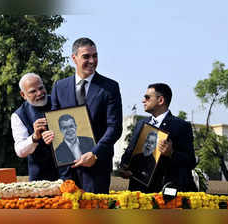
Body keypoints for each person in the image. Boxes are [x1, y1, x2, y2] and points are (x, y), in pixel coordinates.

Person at [42, 37, 123, 193]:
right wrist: (48, 133)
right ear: (74, 58)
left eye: (95, 56)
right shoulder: (60, 86)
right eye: (86, 56)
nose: (92, 61)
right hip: (66, 168)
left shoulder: (110, 87)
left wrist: (95, 154)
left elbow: (115, 127)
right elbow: (53, 121)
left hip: (96, 168)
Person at [119, 83, 197, 193]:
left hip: (165, 193)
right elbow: (129, 153)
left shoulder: (181, 126)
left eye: (147, 97)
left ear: (160, 100)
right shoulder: (141, 124)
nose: (143, 101)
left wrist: (171, 153)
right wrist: (124, 167)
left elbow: (190, 161)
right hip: (138, 192)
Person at [11, 73, 59, 181]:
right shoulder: (18, 115)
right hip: (41, 179)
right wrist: (34, 137)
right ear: (23, 95)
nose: (40, 93)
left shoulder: (59, 101)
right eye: (33, 91)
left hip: (68, 173)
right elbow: (20, 151)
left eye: (41, 88)